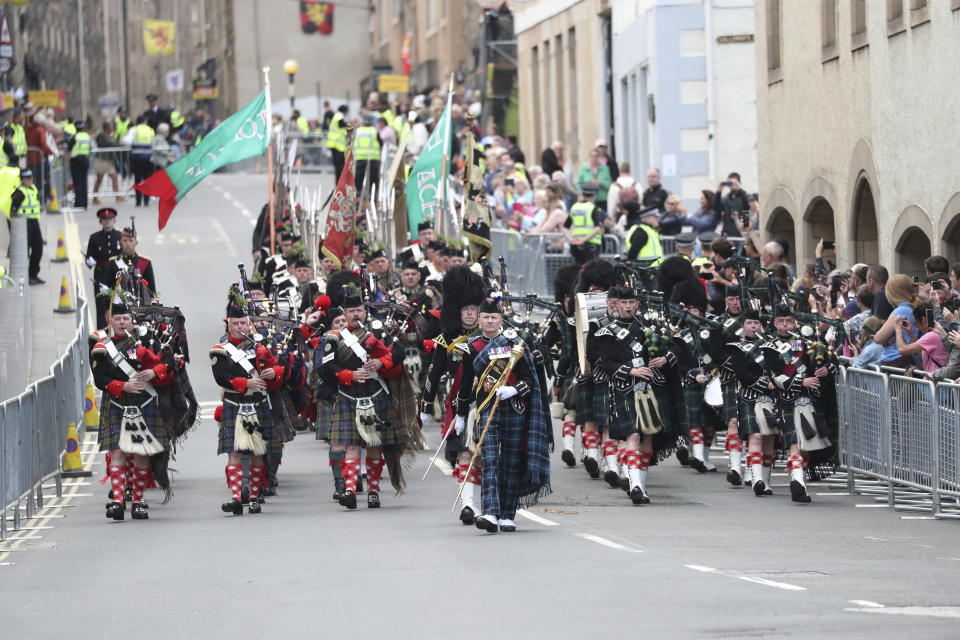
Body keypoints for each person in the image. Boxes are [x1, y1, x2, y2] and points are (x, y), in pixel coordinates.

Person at [322, 286, 406, 510]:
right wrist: (348, 375)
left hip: (375, 393)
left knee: (373, 445)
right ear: (345, 314)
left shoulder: (377, 334)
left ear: (365, 312)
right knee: (350, 445)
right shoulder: (334, 337)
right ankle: (350, 490)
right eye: (351, 312)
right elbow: (327, 365)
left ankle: (374, 491)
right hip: (348, 395)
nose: (356, 314)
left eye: (359, 310)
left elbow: (400, 352)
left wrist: (381, 362)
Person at [92, 300, 176, 521]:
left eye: (125, 319)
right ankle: (118, 501)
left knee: (140, 452)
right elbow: (100, 378)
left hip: (144, 403)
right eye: (117, 319)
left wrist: (154, 373)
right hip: (118, 403)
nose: (122, 322)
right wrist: (123, 386)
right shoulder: (102, 346)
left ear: (132, 321)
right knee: (118, 452)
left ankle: (138, 500)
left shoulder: (147, 340)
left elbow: (166, 361)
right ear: (110, 321)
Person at [470, 307, 551, 532]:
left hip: (514, 408)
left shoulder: (516, 342)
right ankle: (489, 513)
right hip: (487, 406)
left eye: (493, 317)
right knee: (490, 460)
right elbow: (472, 371)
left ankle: (507, 514)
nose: (489, 321)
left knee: (511, 462)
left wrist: (514, 390)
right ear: (479, 319)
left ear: (500, 320)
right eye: (485, 317)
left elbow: (530, 379)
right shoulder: (474, 344)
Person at [211, 306, 285, 515]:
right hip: (234, 403)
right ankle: (236, 496)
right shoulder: (220, 349)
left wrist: (274, 372)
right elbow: (221, 377)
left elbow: (278, 366)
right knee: (234, 451)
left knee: (257, 451)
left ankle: (253, 496)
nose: (240, 327)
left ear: (249, 325)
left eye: (244, 323)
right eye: (236, 323)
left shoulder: (260, 347)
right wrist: (246, 383)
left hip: (257, 403)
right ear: (228, 325)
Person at [86, 208, 123, 328]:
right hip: (101, 277)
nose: (108, 222)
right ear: (100, 221)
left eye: (110, 219)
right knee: (102, 307)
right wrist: (90, 261)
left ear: (115, 220)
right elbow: (89, 257)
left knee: (119, 307)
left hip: (117, 277)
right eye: (105, 219)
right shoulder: (94, 238)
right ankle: (101, 334)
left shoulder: (120, 236)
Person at [872, 274, 919, 367]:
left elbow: (878, 338)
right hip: (906, 359)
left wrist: (884, 338)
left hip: (896, 360)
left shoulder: (900, 311)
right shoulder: (912, 307)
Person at [10, 169, 43, 284]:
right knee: (24, 251)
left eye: (30, 177)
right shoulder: (19, 192)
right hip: (23, 224)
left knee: (38, 249)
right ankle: (24, 277)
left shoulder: (33, 188)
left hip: (34, 222)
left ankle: (33, 274)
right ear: (22, 180)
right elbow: (13, 211)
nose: (29, 180)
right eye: (26, 178)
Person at [895, 302, 948, 374]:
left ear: (923, 320)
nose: (917, 328)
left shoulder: (932, 335)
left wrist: (898, 329)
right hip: (933, 382)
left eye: (916, 323)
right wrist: (910, 333)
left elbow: (902, 350)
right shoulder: (937, 333)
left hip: (934, 382)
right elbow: (922, 354)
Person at [106, 222, 157, 295]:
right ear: (120, 242)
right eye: (125, 240)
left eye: (131, 241)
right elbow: (109, 289)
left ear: (136, 242)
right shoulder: (113, 262)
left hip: (141, 303)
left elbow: (152, 289)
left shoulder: (145, 262)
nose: (128, 244)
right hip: (119, 303)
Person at [563, 182, 605, 265]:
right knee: (591, 271)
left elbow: (565, 227)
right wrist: (583, 240)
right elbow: (598, 228)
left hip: (575, 244)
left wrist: (571, 239)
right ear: (594, 195)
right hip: (591, 245)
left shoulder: (574, 207)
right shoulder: (593, 208)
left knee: (578, 270)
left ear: (582, 194)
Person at [125, 116, 155, 206]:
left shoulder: (134, 130)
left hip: (137, 159)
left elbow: (127, 141)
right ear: (145, 121)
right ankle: (146, 201)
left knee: (137, 180)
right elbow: (153, 144)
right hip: (148, 159)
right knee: (147, 180)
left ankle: (138, 201)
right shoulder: (150, 130)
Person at [92, 121, 123, 205]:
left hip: (109, 161)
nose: (112, 128)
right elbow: (111, 143)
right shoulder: (102, 135)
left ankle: (117, 196)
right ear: (107, 127)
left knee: (114, 177)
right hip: (101, 160)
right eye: (111, 126)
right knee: (99, 179)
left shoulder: (109, 135)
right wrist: (118, 143)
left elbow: (114, 143)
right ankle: (94, 198)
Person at [713, 172, 751, 237]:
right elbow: (716, 208)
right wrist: (719, 192)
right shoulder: (726, 198)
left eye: (734, 183)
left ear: (739, 183)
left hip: (742, 234)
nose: (732, 185)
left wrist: (740, 189)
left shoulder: (744, 196)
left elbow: (748, 207)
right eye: (730, 183)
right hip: (728, 234)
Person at [353, 115, 380, 191]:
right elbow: (380, 143)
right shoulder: (374, 131)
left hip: (360, 157)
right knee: (373, 179)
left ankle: (358, 195)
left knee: (359, 179)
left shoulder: (358, 131)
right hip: (374, 158)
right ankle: (373, 196)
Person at [68, 120, 91, 209]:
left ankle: (78, 203)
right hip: (85, 159)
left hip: (76, 160)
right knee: (84, 182)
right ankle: (85, 203)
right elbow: (90, 147)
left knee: (77, 182)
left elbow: (69, 147)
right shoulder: (87, 136)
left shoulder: (75, 137)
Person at [325, 105, 348, 183]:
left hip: (335, 145)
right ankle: (339, 183)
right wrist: (350, 125)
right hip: (337, 145)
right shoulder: (339, 116)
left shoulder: (336, 116)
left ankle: (338, 183)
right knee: (340, 167)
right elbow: (342, 124)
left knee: (338, 167)